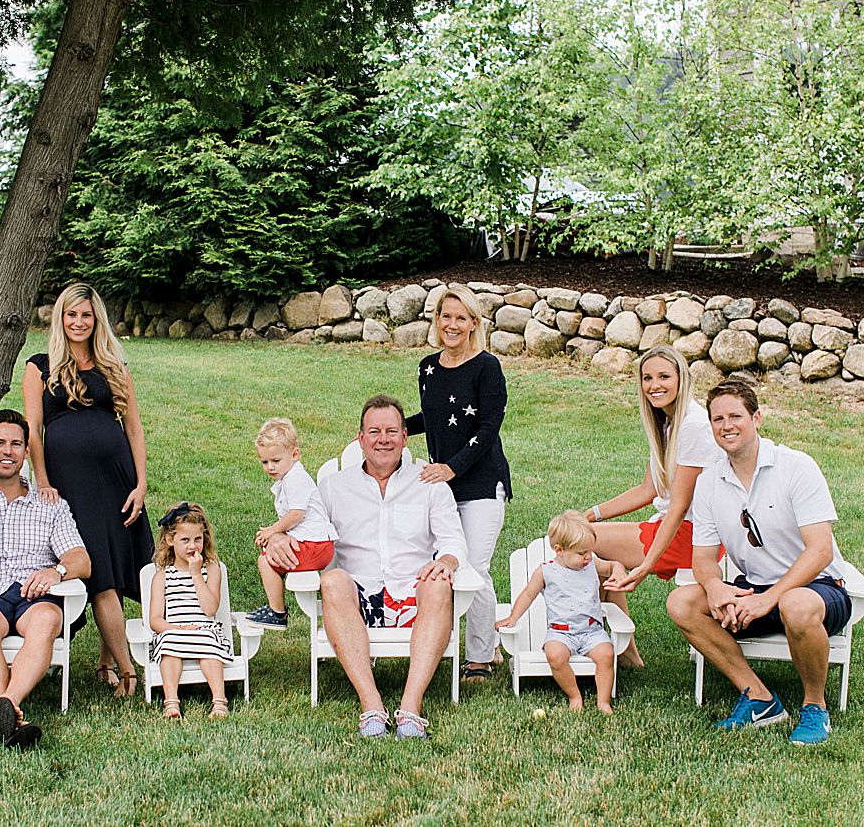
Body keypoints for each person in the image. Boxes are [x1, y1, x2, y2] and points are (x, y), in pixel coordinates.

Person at [264, 395, 468, 739]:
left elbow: (453, 540)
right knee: (333, 581)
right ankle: (371, 705)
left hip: (412, 595)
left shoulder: (429, 484)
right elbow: (307, 531)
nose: (383, 439)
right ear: (360, 439)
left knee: (438, 582)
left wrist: (447, 561)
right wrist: (278, 538)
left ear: (405, 437)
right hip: (355, 598)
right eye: (374, 431)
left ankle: (411, 707)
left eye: (391, 431)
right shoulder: (332, 486)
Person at [666, 380, 854, 746]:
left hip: (818, 589)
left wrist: (768, 599)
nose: (726, 425)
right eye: (717, 419)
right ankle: (759, 699)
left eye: (735, 415)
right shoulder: (709, 482)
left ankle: (815, 707)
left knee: (794, 603)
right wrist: (718, 588)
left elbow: (820, 551)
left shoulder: (796, 467)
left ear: (756, 417)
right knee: (682, 603)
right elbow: (703, 560)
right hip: (753, 590)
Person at [23, 282, 152, 698]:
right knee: (99, 576)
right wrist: (42, 481)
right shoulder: (40, 366)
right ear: (60, 319)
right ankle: (129, 673)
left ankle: (105, 662)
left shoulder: (113, 364)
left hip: (115, 479)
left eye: (86, 315)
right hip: (69, 481)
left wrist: (141, 483)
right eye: (71, 315)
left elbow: (133, 426)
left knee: (110, 567)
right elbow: (34, 432)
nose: (79, 322)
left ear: (96, 320)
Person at [0, 409, 92, 749]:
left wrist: (57, 571)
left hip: (32, 593)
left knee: (48, 619)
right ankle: (8, 715)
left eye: (15, 444)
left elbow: (81, 560)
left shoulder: (49, 504)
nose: (7, 451)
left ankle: (3, 708)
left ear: (26, 452)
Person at [584, 345, 725, 668]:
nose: (654, 385)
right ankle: (624, 649)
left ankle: (618, 648)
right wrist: (590, 514)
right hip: (672, 525)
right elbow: (649, 490)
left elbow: (678, 507)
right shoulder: (666, 422)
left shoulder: (693, 426)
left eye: (664, 376)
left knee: (583, 541)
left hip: (694, 536)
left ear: (681, 378)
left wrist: (646, 565)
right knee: (587, 536)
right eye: (647, 378)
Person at [406, 284, 511, 683]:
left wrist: (452, 468)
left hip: (482, 484)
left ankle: (480, 657)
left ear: (473, 324)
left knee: (474, 568)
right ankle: (459, 644)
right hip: (441, 489)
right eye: (445, 316)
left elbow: (487, 429)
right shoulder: (428, 367)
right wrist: (389, 429)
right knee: (446, 568)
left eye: (460, 318)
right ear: (437, 321)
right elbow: (430, 417)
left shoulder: (487, 367)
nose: (452, 324)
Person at [495, 511, 626, 715]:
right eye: (582, 553)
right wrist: (513, 617)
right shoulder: (546, 571)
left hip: (592, 631)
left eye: (590, 551)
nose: (588, 557)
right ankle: (574, 695)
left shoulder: (591, 564)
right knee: (555, 656)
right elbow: (528, 594)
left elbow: (612, 566)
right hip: (560, 632)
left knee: (606, 655)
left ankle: (603, 701)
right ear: (559, 550)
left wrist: (617, 569)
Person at [246, 418, 338, 630]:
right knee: (267, 550)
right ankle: (276, 611)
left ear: (294, 454)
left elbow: (296, 513)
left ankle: (277, 612)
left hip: (315, 546)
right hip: (315, 544)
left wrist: (272, 530)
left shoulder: (295, 478)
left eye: (275, 461)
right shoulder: (290, 477)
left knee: (266, 561)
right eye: (264, 462)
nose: (269, 467)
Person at [148, 502, 232, 720]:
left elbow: (210, 608)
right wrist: (176, 628)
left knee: (209, 645)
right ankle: (171, 702)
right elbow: (155, 620)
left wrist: (196, 574)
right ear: (170, 540)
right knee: (168, 645)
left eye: (198, 539)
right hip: (174, 629)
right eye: (185, 540)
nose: (192, 546)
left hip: (204, 627)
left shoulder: (211, 569)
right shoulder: (162, 576)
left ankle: (219, 701)